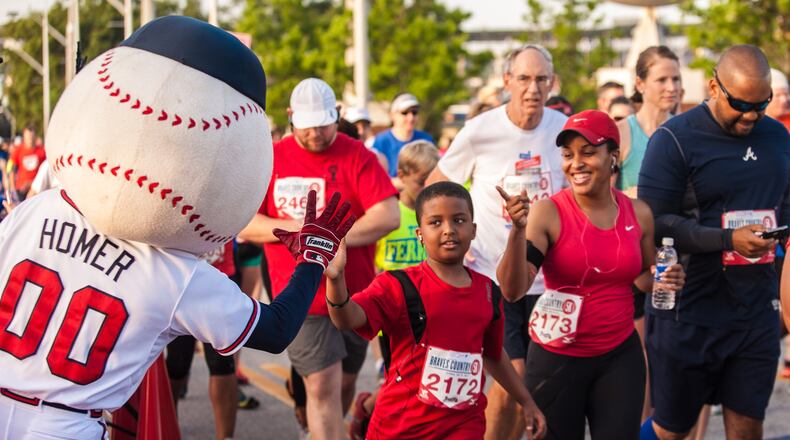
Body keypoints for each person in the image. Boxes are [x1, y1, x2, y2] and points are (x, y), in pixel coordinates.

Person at [0, 16, 356, 439]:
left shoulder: (39, 209)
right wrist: (313, 260)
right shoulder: (176, 273)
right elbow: (276, 330)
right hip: (66, 424)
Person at [497, 110, 685, 439]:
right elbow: (513, 290)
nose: (576, 164)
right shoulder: (548, 212)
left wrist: (665, 278)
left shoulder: (638, 212)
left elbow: (643, 278)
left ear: (613, 157)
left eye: (588, 152)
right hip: (556, 357)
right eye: (568, 155)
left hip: (619, 356)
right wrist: (517, 232)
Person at [639, 44, 790, 440]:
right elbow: (654, 223)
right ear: (713, 87)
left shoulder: (778, 138)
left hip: (755, 313)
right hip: (688, 312)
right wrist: (727, 240)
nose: (751, 115)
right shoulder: (674, 139)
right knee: (672, 429)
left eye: (762, 104)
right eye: (741, 104)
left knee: (748, 426)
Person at [239, 77, 399, 440]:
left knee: (345, 382)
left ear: (337, 114)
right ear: (290, 116)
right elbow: (246, 222)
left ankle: (321, 430)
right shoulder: (271, 157)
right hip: (299, 295)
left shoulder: (356, 154)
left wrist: (332, 237)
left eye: (324, 125)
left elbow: (388, 214)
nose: (315, 134)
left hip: (355, 294)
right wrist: (298, 230)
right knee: (322, 384)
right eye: (307, 126)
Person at [326, 181, 547, 439]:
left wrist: (527, 402)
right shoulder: (397, 285)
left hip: (464, 426)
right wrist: (335, 279)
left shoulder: (488, 291)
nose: (449, 230)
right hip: (401, 427)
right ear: (419, 234)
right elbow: (346, 318)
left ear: (474, 230)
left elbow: (494, 354)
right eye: (436, 222)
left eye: (459, 220)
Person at [426, 43, 567, 440]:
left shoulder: (564, 130)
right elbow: (436, 187)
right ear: (507, 81)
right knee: (512, 380)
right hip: (493, 276)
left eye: (541, 79)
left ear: (552, 83)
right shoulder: (481, 131)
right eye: (524, 78)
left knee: (534, 388)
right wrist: (456, 239)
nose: (532, 88)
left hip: (549, 281)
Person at [165, 241, 245, 440]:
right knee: (177, 363)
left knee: (222, 362)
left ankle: (225, 437)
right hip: (181, 278)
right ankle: (167, 429)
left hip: (219, 273)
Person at [616, 46, 681, 199]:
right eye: (662, 80)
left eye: (676, 79)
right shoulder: (622, 132)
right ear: (640, 84)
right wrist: (631, 195)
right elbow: (600, 198)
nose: (671, 87)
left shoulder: (686, 131)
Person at [372, 93, 434, 177]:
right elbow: (376, 176)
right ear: (392, 115)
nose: (411, 117)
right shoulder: (381, 141)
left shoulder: (426, 140)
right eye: (404, 112)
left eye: (414, 112)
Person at [9, 124, 46, 199]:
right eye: (28, 137)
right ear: (24, 137)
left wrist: (31, 183)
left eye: (31, 137)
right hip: (21, 190)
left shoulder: (42, 151)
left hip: (36, 189)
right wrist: (12, 188)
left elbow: (45, 171)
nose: (30, 139)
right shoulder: (18, 150)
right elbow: (11, 168)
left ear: (35, 137)